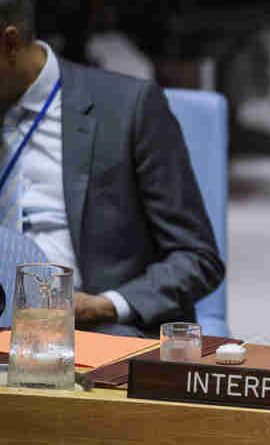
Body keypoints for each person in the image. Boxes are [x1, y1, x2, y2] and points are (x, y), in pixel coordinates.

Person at [0, 0, 224, 337]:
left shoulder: (128, 108)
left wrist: (105, 305)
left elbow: (196, 257)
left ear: (10, 44)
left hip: (94, 329)